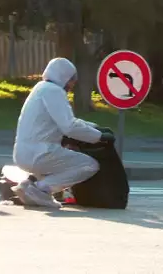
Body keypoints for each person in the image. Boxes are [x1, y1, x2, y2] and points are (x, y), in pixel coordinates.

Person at [11, 58, 115, 208]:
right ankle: (41, 189)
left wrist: (94, 127)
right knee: (89, 165)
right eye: (72, 80)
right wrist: (99, 137)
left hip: (24, 152)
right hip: (40, 152)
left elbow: (65, 119)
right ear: (65, 78)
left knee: (60, 163)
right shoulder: (54, 92)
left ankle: (29, 184)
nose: (72, 85)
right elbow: (69, 126)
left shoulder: (41, 88)